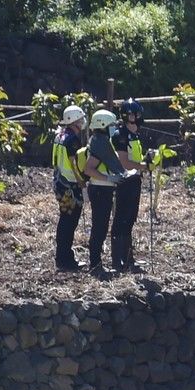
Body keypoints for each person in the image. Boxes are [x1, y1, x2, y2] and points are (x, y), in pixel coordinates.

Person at [83, 109, 138, 274]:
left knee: (101, 226)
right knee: (99, 228)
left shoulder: (100, 140)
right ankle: (95, 264)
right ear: (103, 125)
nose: (114, 128)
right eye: (111, 125)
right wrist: (109, 179)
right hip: (100, 189)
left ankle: (97, 263)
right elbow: (88, 169)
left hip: (103, 189)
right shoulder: (99, 143)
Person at [110, 98, 153, 271]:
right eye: (135, 114)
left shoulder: (134, 135)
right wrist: (143, 166)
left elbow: (134, 159)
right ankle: (117, 260)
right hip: (124, 181)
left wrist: (147, 159)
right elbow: (124, 162)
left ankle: (128, 258)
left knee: (130, 219)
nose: (138, 117)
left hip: (135, 180)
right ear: (128, 116)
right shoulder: (120, 135)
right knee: (121, 219)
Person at [51, 105, 87, 271]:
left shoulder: (59, 135)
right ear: (74, 121)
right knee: (69, 222)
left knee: (64, 220)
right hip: (69, 186)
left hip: (59, 182)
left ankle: (62, 256)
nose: (82, 122)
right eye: (80, 119)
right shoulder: (72, 139)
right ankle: (66, 259)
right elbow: (74, 164)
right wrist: (82, 182)